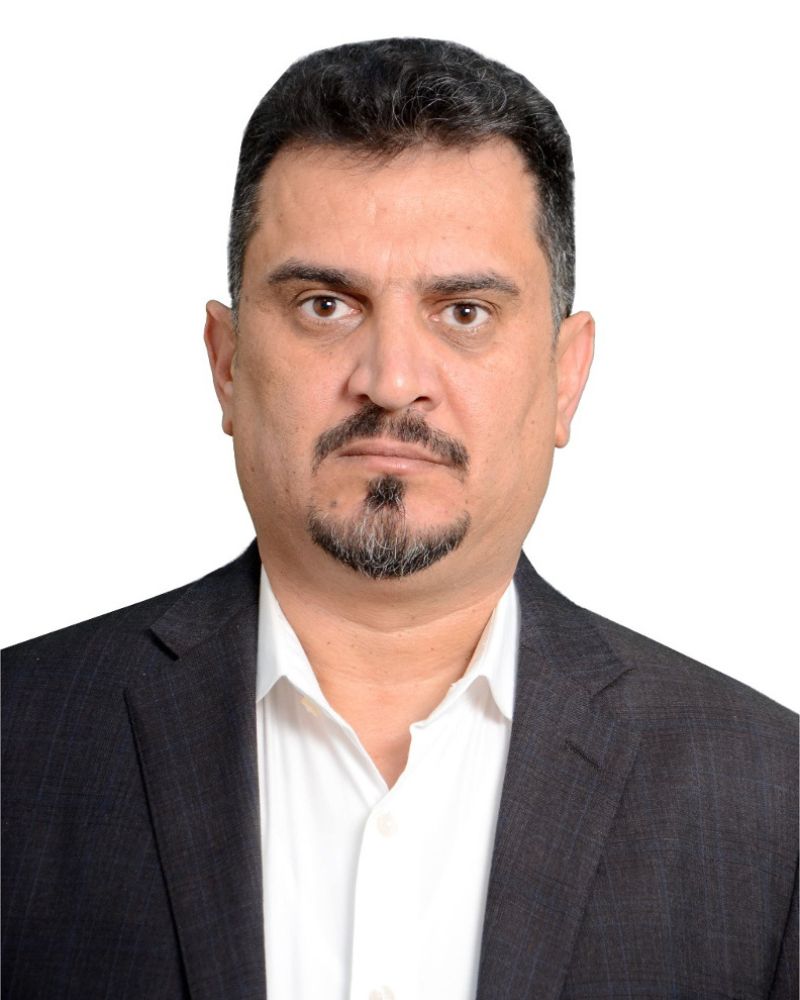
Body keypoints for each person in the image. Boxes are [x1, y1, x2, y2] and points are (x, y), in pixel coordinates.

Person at [2, 36, 796, 1000]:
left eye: (463, 312)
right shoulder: (20, 745)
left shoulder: (770, 804)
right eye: (326, 304)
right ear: (225, 360)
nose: (391, 381)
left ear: (565, 377)